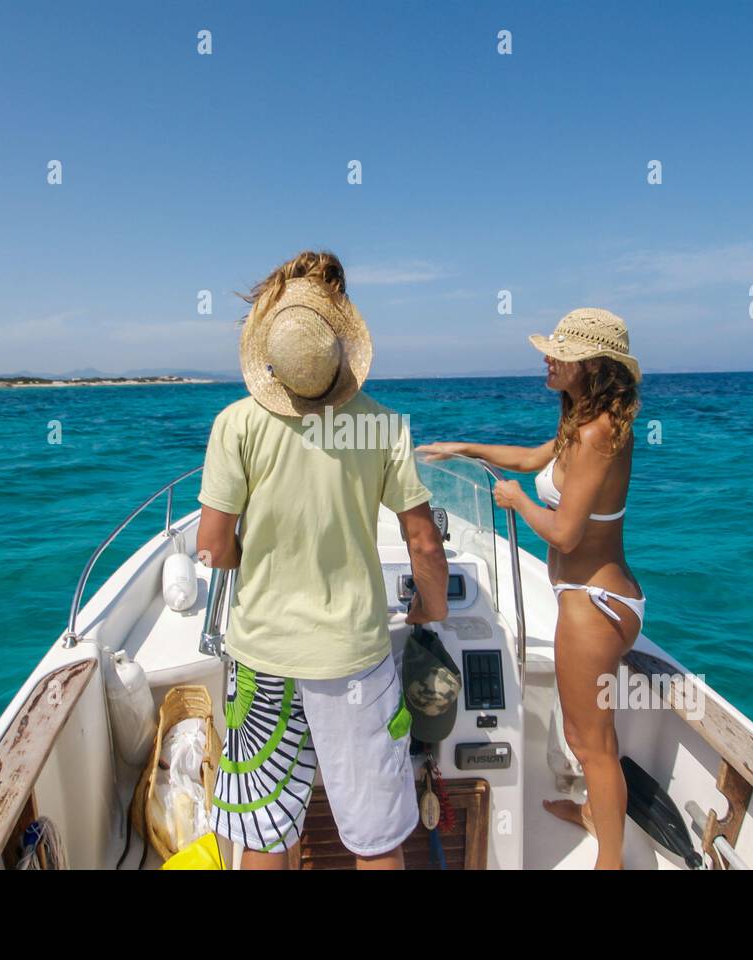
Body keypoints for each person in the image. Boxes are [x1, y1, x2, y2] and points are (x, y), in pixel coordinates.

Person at [196, 250, 448, 870]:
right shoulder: (382, 427)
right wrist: (430, 607)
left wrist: (248, 554)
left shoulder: (236, 425)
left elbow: (212, 545)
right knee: (377, 838)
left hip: (262, 659)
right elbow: (422, 542)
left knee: (264, 836)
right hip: (353, 662)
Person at [419, 307, 643, 869]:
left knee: (594, 744)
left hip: (596, 603)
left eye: (559, 352)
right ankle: (594, 814)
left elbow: (566, 533)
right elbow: (528, 458)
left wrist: (518, 501)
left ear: (590, 363)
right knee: (580, 731)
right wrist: (461, 447)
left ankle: (610, 860)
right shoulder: (582, 426)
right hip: (590, 598)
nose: (547, 358)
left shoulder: (596, 434)